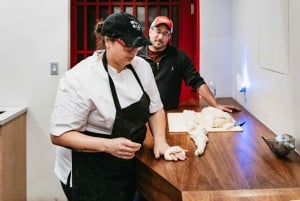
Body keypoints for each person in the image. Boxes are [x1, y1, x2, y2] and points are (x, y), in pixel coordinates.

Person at [49, 12, 186, 201]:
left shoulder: (142, 67)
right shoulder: (79, 79)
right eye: (127, 45)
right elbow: (59, 135)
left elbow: (155, 108)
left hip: (126, 166)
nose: (134, 51)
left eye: (137, 45)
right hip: (89, 173)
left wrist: (160, 142)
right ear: (108, 41)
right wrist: (107, 145)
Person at [138, 16, 241, 112]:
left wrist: (215, 104)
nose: (160, 37)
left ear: (169, 37)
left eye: (165, 33)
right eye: (158, 31)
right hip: (141, 113)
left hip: (169, 112)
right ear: (150, 31)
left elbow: (197, 82)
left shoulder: (179, 57)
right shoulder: (136, 55)